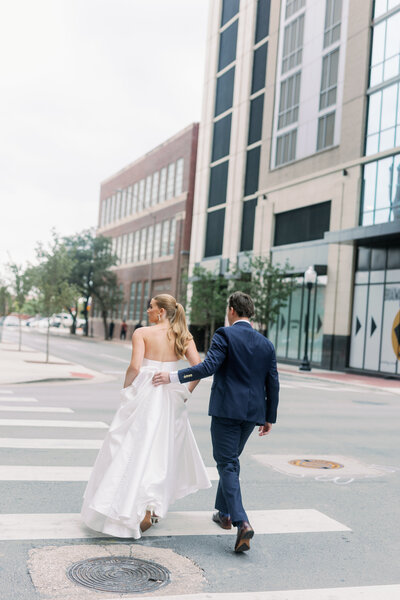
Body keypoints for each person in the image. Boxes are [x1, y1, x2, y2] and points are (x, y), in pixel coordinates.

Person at [153, 291, 279, 553]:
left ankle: (241, 521)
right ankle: (223, 513)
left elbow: (208, 367)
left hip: (226, 411)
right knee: (231, 461)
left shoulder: (225, 334)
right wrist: (269, 417)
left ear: (232, 310)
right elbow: (273, 383)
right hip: (253, 414)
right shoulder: (267, 344)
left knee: (227, 463)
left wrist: (173, 377)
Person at [81, 294, 211, 539]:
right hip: (171, 397)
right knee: (160, 453)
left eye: (151, 307)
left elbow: (135, 367)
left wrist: (127, 389)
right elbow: (199, 368)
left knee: (130, 449)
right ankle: (151, 506)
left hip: (145, 393)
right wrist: (185, 392)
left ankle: (125, 506)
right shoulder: (183, 335)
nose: (147, 310)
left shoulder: (142, 333)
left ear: (161, 311)